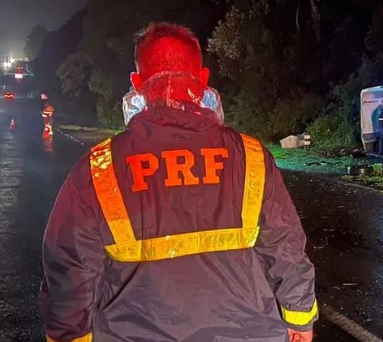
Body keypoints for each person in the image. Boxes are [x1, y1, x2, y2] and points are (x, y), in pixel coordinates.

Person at [40, 22, 318, 342]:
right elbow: (286, 247)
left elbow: (68, 275)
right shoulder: (251, 157)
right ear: (202, 80)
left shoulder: (98, 169)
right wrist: (300, 319)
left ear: (137, 83)